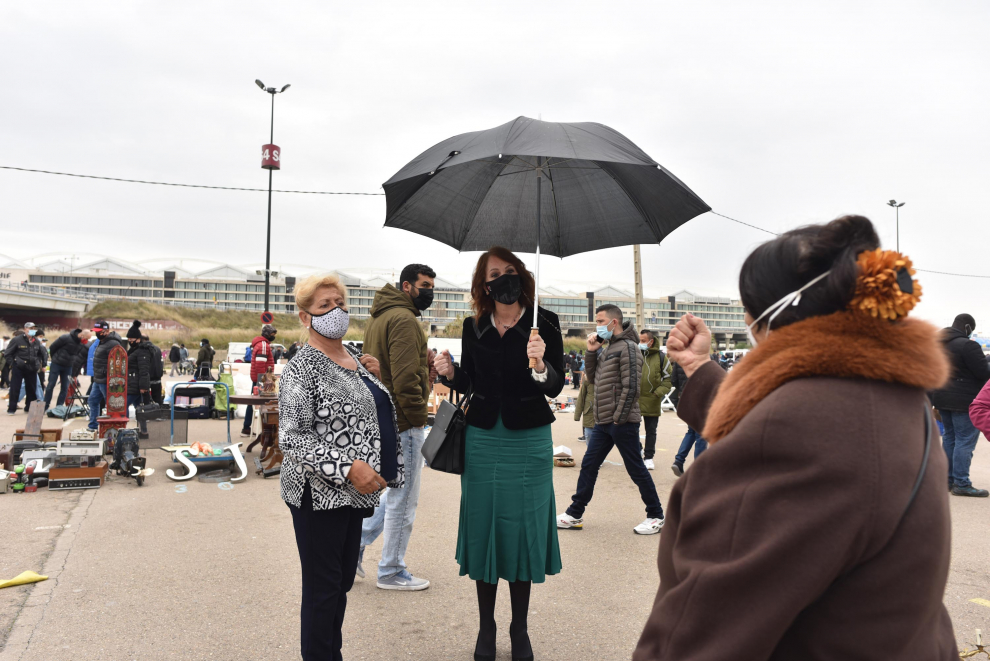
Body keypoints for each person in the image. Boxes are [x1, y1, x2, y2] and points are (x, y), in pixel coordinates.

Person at [633, 215, 957, 660]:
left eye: (747, 307)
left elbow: (701, 630)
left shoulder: (800, 429)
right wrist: (698, 369)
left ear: (769, 314)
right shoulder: (888, 392)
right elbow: (784, 414)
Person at [434, 246, 563, 661]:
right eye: (495, 273)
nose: (504, 278)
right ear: (484, 284)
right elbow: (471, 380)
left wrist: (540, 365)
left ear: (521, 275)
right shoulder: (474, 327)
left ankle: (519, 627)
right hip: (484, 436)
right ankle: (486, 625)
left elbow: (556, 386)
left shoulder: (546, 322)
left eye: (510, 270)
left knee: (522, 529)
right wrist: (452, 374)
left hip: (529, 438)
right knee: (486, 526)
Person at [279, 274, 400, 661]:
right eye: (324, 306)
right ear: (305, 317)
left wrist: (373, 381)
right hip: (318, 494)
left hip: (353, 495)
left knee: (341, 581)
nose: (336, 311)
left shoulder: (353, 356)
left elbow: (362, 412)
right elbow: (293, 438)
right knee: (323, 588)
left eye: (340, 303)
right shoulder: (304, 367)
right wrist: (348, 467)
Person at [358, 263, 436, 590]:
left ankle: (352, 548)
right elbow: (405, 379)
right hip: (403, 420)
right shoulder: (404, 319)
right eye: (425, 285)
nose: (430, 291)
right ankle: (390, 570)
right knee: (403, 500)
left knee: (390, 492)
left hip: (383, 416)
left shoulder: (381, 316)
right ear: (407, 286)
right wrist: (419, 417)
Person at [557, 305, 665, 535]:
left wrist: (619, 418)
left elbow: (632, 386)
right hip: (604, 421)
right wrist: (591, 350)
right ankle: (574, 513)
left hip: (620, 421)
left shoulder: (628, 347)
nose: (597, 325)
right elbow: (593, 379)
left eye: (600, 320)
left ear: (613, 322)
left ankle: (656, 515)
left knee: (635, 468)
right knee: (589, 465)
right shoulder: (608, 348)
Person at [932, 313, 990, 497]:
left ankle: (946, 480)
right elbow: (982, 373)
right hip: (965, 400)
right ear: (967, 328)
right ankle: (962, 483)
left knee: (949, 439)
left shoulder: (938, 344)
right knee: (965, 442)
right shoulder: (968, 345)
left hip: (941, 397)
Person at [638, 329, 672, 471]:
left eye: (644, 341)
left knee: (651, 430)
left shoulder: (661, 357)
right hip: (635, 399)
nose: (641, 343)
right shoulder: (635, 354)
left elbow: (668, 379)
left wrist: (658, 393)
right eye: (639, 340)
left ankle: (649, 457)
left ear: (651, 342)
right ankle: (638, 449)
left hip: (653, 399)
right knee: (631, 429)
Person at [669, 356, 708, 476]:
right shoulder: (703, 358)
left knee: (691, 431)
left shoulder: (680, 360)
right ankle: (699, 468)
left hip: (686, 398)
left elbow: (674, 380)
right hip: (701, 397)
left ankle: (679, 460)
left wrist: (682, 388)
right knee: (700, 433)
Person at [241, 324, 278, 438]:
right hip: (261, 378)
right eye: (272, 334)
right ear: (267, 334)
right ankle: (262, 430)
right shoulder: (263, 345)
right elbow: (260, 365)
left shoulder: (261, 344)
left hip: (258, 378)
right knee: (264, 403)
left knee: (253, 402)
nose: (273, 336)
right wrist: (264, 380)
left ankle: (247, 428)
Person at [87, 320, 124, 430]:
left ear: (106, 331)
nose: (97, 333)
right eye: (96, 331)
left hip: (106, 380)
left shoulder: (113, 343)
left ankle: (111, 428)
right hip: (98, 379)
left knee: (111, 404)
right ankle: (93, 426)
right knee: (92, 400)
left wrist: (109, 377)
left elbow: (117, 362)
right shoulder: (101, 342)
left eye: (99, 331)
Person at [43, 328, 92, 410]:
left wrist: (75, 372)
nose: (86, 341)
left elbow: (79, 358)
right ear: (82, 335)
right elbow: (52, 347)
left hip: (68, 366)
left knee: (65, 387)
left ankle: (59, 407)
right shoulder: (66, 337)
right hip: (57, 364)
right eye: (86, 338)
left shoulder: (81, 343)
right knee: (51, 385)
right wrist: (55, 358)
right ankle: (45, 406)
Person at [4, 323, 44, 414]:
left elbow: (40, 354)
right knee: (15, 387)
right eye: (31, 328)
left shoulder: (36, 341)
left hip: (32, 367)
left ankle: (29, 407)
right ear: (25, 329)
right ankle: (11, 408)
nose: (33, 330)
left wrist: (38, 363)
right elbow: (8, 353)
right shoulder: (17, 340)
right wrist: (14, 364)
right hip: (19, 367)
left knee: (31, 388)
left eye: (34, 328)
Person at [144, 334, 165, 405]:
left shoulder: (144, 349)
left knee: (146, 399)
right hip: (158, 377)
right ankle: (158, 413)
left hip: (148, 377)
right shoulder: (157, 348)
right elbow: (161, 362)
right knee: (157, 399)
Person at [574, 376, 595, 442]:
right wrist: (577, 415)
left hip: (605, 415)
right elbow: (581, 397)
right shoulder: (587, 380)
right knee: (589, 435)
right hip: (589, 415)